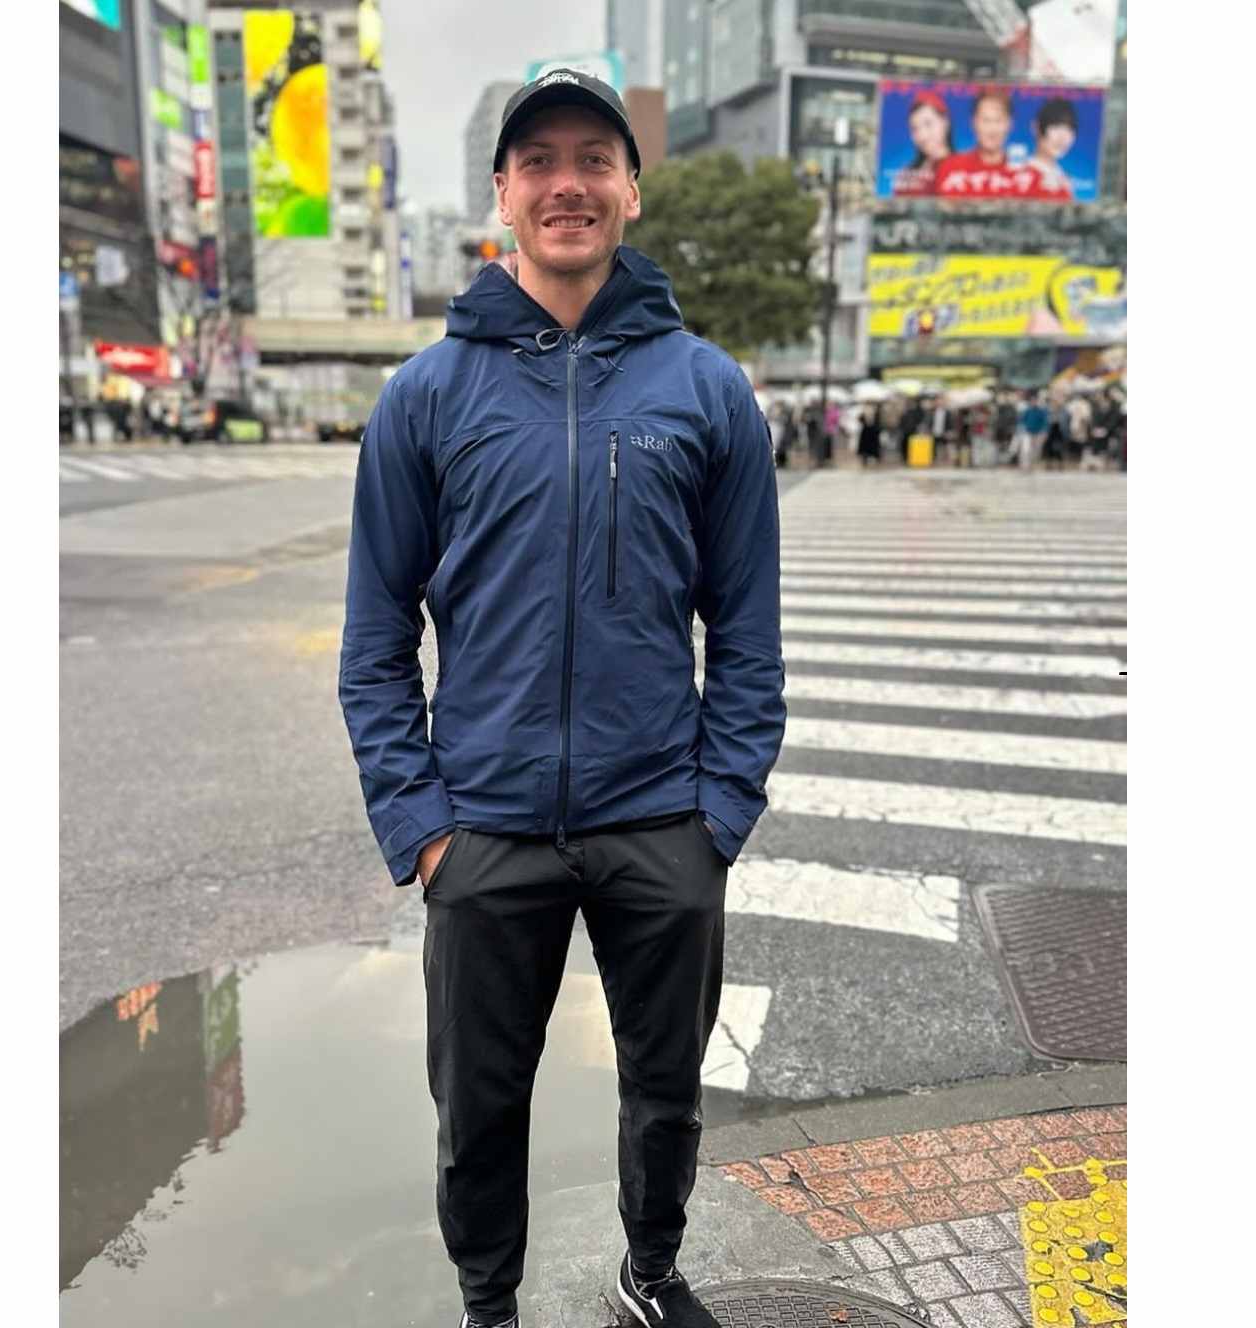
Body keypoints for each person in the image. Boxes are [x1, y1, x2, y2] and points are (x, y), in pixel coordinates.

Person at [338, 69, 783, 1328]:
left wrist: (718, 814)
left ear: (630, 189)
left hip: (659, 817)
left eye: (594, 158)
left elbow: (746, 628)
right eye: (538, 162)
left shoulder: (705, 389)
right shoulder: (427, 396)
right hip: (483, 824)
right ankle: (489, 1305)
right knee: (478, 1103)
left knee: (666, 1087)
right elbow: (374, 637)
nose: (566, 184)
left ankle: (649, 1270)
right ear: (502, 194)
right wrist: (422, 824)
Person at [934, 89, 1017, 197]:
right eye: (986, 120)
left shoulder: (1027, 175)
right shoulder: (950, 169)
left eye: (998, 121)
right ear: (974, 123)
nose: (992, 129)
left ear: (1009, 124)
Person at [893, 90, 956, 196]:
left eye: (928, 124)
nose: (922, 136)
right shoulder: (906, 177)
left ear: (945, 122)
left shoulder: (964, 171)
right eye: (915, 129)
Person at [1026, 98, 1079, 201]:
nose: (1062, 137)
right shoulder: (1022, 173)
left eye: (1069, 129)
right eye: (1056, 126)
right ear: (1036, 127)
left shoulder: (1064, 180)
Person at [1015, 391, 1048, 472]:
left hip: (1037, 433)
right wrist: (1021, 430)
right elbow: (1022, 421)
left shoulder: (1041, 411)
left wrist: (1044, 432)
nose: (1033, 402)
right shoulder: (1027, 410)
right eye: (1032, 401)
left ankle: (1031, 465)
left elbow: (1045, 423)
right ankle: (1024, 465)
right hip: (1027, 433)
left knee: (1035, 451)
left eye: (1035, 401)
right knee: (1026, 449)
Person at [1066, 393, 1093, 470]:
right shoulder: (1071, 405)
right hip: (1073, 427)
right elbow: (1068, 416)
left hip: (1082, 429)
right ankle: (1073, 463)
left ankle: (1081, 462)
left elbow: (1087, 418)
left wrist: (1083, 426)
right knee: (1073, 446)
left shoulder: (1086, 405)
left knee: (1082, 445)